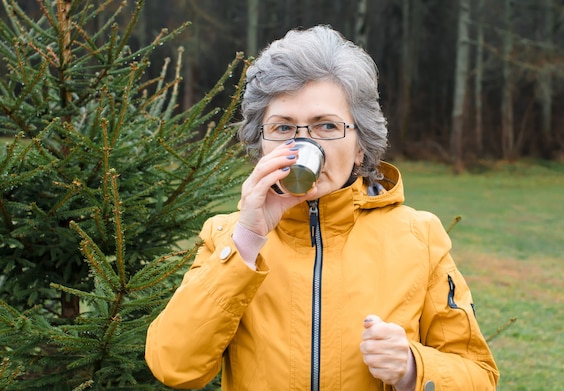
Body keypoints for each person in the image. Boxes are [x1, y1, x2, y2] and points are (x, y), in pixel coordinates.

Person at [145, 25, 499, 390]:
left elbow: (479, 377)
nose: (302, 143)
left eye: (326, 125)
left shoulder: (419, 237)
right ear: (260, 143)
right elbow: (175, 367)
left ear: (361, 144)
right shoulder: (227, 238)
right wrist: (246, 242)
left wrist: (411, 368)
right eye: (283, 128)